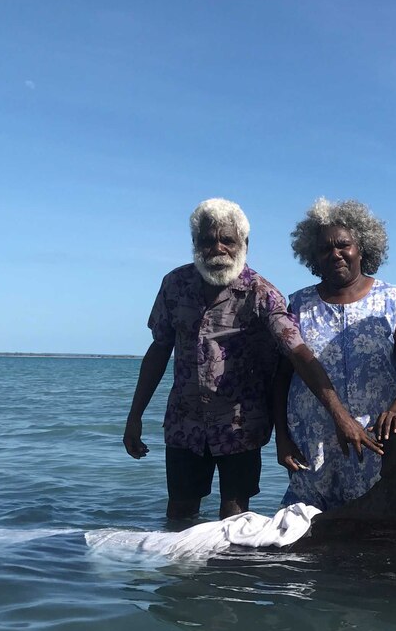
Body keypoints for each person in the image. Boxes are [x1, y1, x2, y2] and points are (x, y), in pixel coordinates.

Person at [123, 197, 382, 520]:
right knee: (179, 512)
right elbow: (159, 348)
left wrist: (340, 416)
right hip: (184, 424)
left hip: (240, 428)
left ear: (244, 244)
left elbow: (298, 354)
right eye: (207, 240)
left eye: (227, 240)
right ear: (194, 244)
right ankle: (182, 573)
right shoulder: (174, 285)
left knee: (235, 518)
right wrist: (134, 417)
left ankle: (226, 573)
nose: (218, 248)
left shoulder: (262, 293)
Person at [275, 197, 396, 510]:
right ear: (313, 255)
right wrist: (282, 438)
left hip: (375, 443)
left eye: (343, 245)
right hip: (311, 443)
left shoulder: (391, 300)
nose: (335, 254)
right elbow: (281, 378)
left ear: (362, 247)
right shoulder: (298, 305)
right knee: (307, 540)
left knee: (373, 532)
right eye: (325, 249)